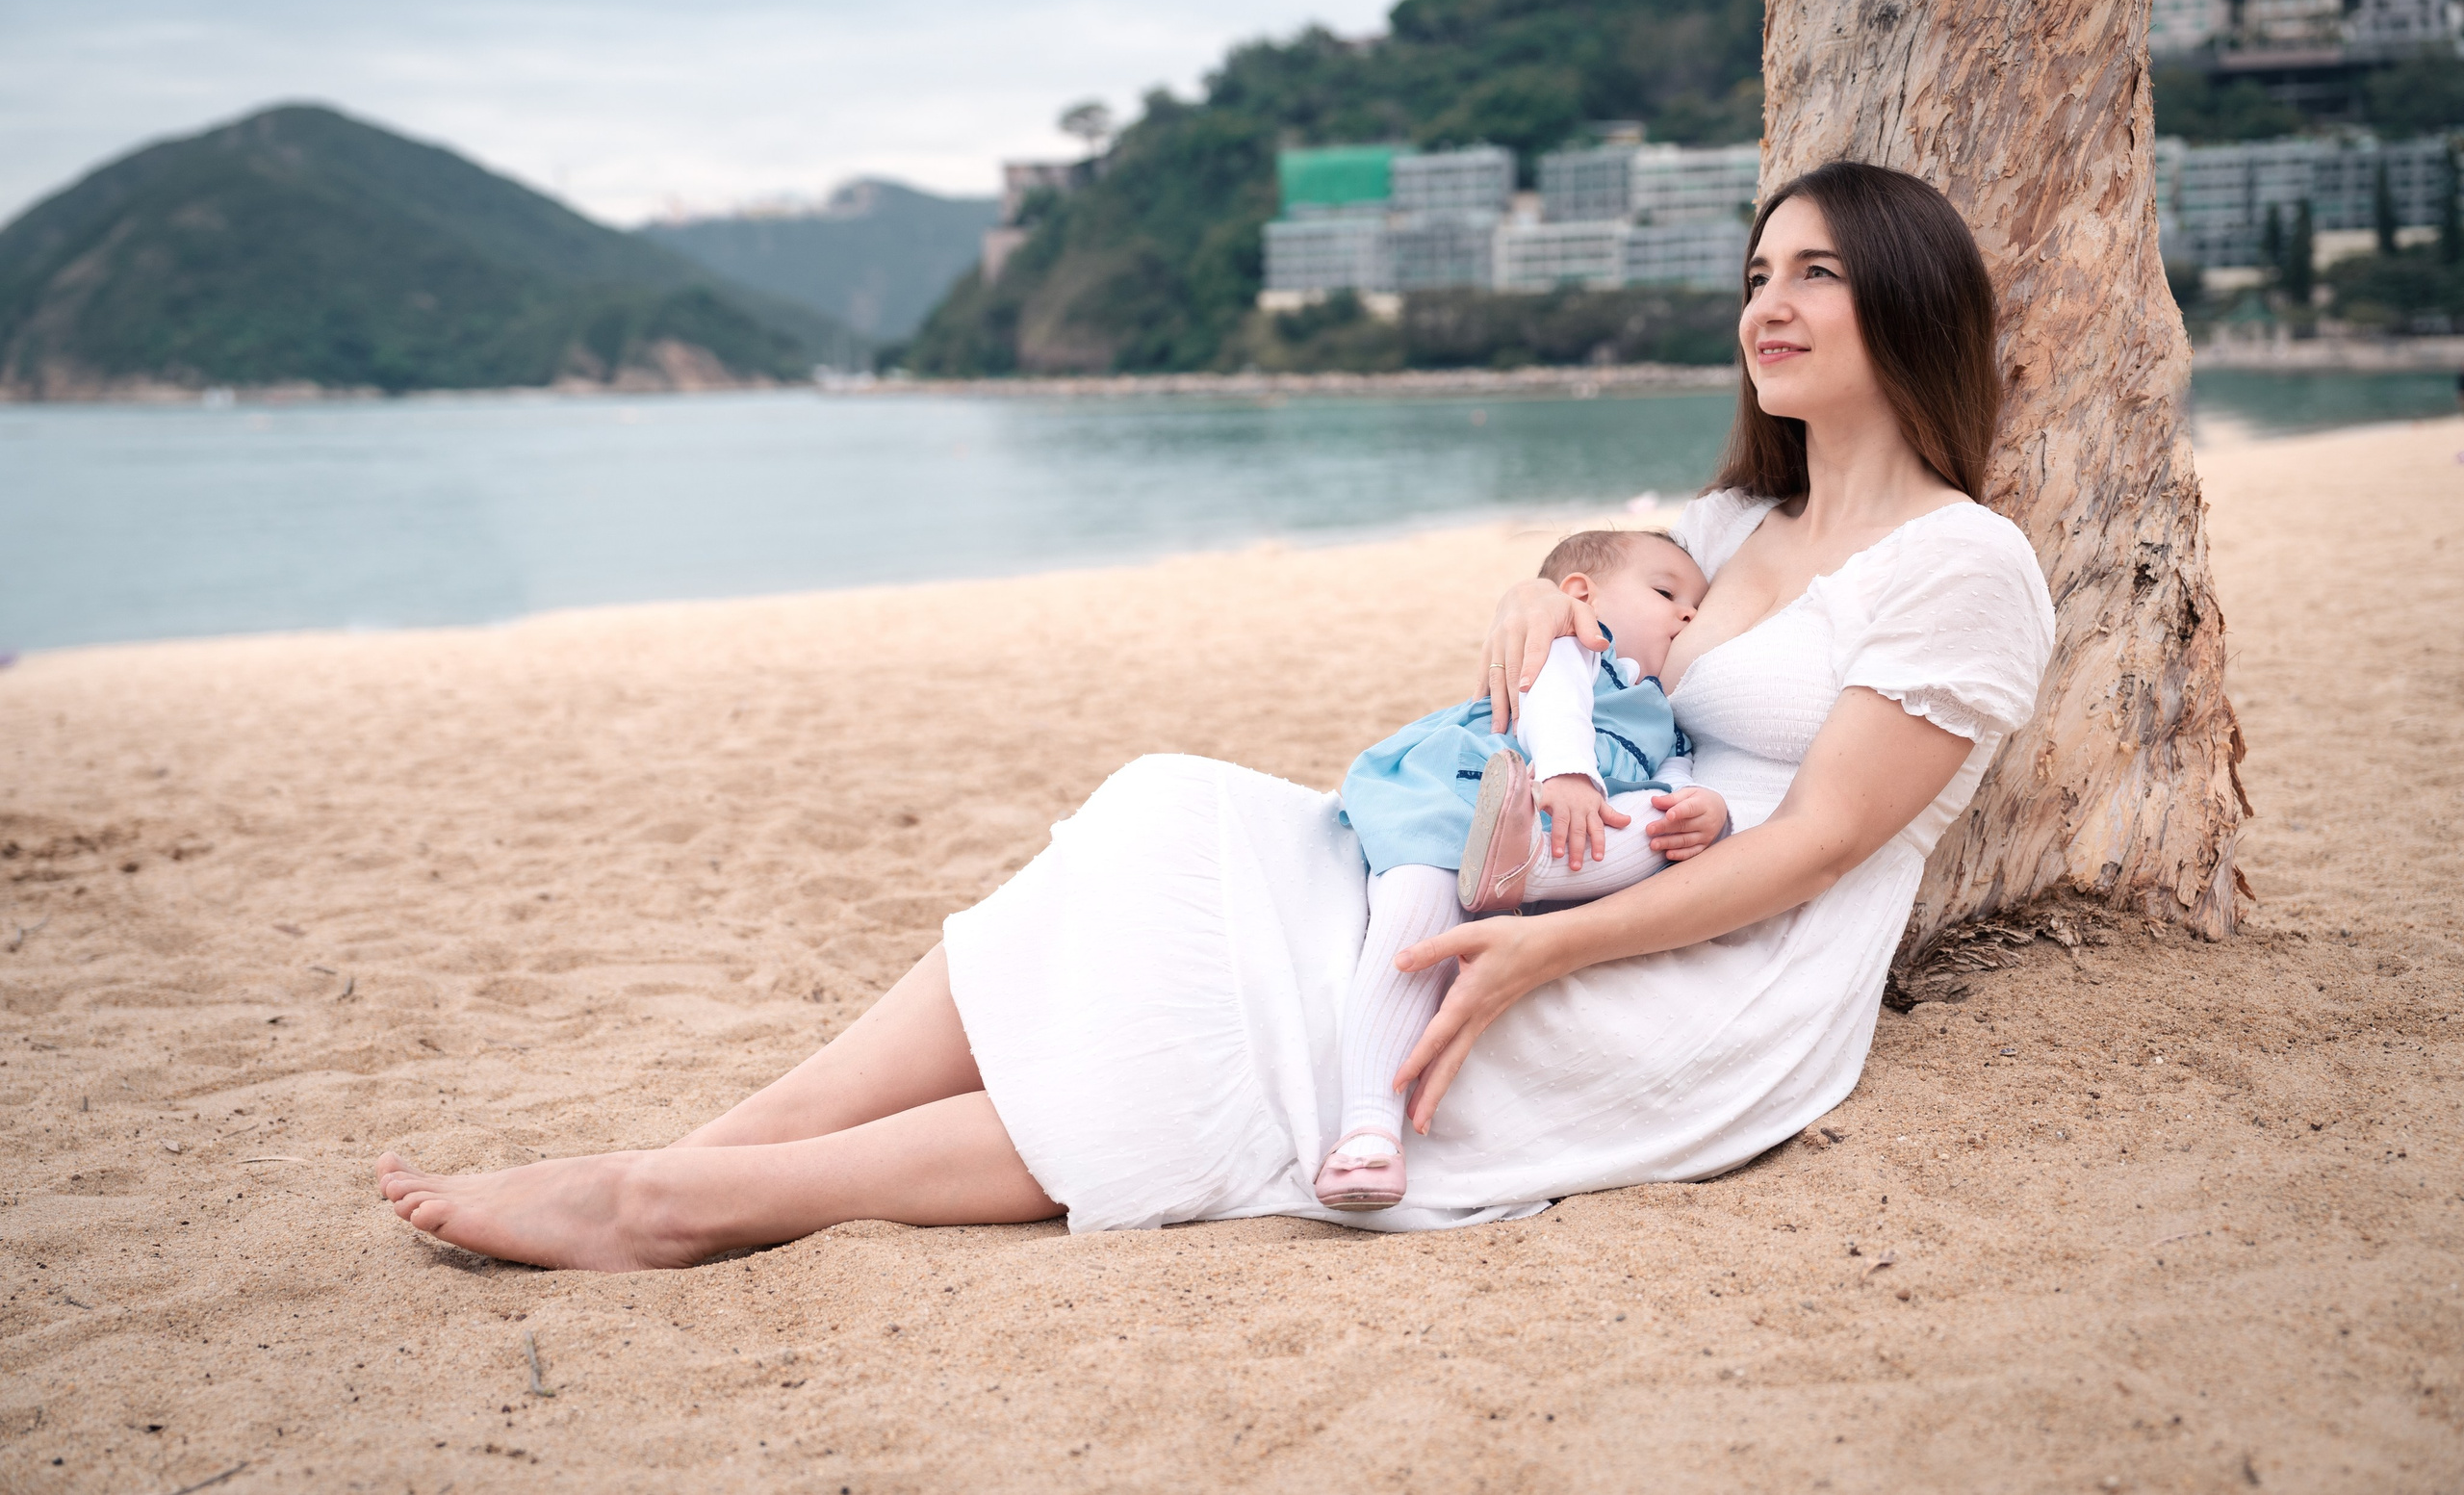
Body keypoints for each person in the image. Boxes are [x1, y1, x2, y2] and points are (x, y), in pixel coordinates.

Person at [374, 161, 2056, 1268]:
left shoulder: (1963, 567)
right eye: (1757, 269)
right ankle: (691, 1152)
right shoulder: (1724, 527)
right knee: (1172, 814)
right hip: (1547, 863)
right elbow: (1576, 623)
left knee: (1259, 1022)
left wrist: (1549, 950)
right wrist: (1528, 600)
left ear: (1906, 302)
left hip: (1696, 962)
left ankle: (682, 1205)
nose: (1767, 301)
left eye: (1817, 272)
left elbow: (1824, 845)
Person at [1316, 528, 1730, 1211]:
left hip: (1548, 838)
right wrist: (1569, 772)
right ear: (1580, 596)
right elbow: (1553, 702)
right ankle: (1367, 1130)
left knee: (1664, 831)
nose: (1689, 615)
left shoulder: (1664, 717)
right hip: (1470, 788)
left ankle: (1520, 870)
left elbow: (1674, 782)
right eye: (1666, 593)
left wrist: (1705, 807)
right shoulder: (1575, 644)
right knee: (1412, 925)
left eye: (1699, 607)